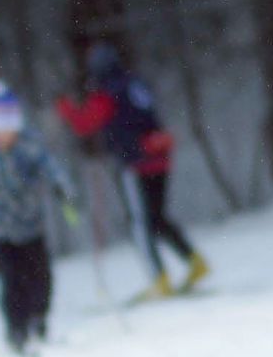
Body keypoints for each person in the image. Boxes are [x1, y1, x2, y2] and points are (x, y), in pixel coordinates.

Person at [57, 42, 209, 300]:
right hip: (160, 156)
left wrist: (65, 108)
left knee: (141, 223)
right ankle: (194, 262)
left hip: (136, 163)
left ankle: (158, 279)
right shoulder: (135, 83)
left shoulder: (106, 93)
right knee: (157, 217)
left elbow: (85, 124)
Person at [0, 82, 78, 356]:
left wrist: (64, 190)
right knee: (12, 277)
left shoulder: (29, 145)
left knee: (40, 275)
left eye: (10, 127)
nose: (6, 135)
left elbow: (50, 168)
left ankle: (38, 318)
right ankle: (16, 328)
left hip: (31, 222)